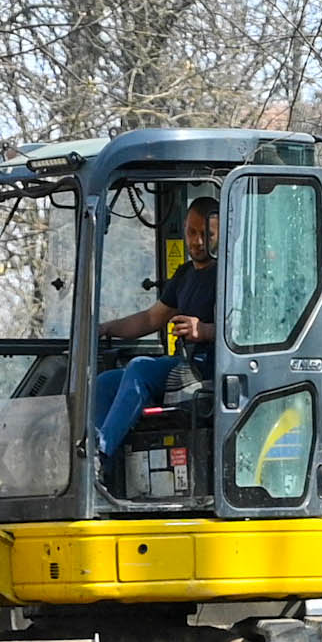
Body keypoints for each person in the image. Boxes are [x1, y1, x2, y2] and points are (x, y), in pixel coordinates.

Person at [91, 192, 220, 463]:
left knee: (140, 368)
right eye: (192, 232)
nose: (197, 242)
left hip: (211, 369)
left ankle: (100, 453)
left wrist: (206, 331)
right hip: (182, 365)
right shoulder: (184, 275)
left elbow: (246, 329)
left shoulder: (228, 273)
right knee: (104, 383)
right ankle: (104, 469)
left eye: (206, 235)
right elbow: (151, 319)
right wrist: (105, 328)